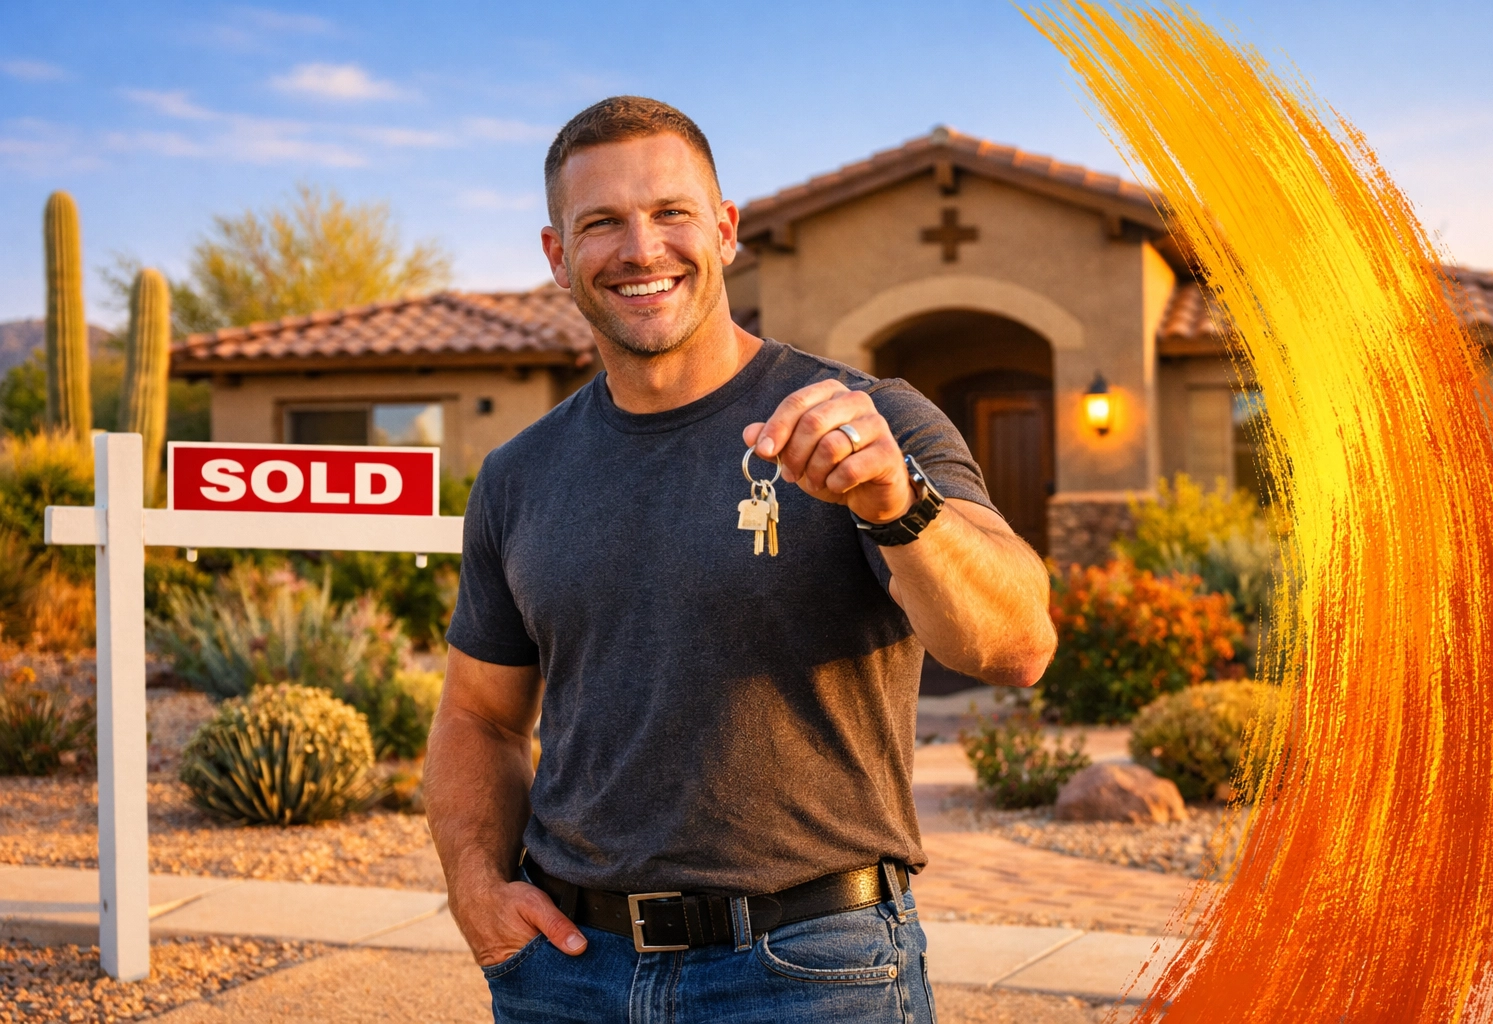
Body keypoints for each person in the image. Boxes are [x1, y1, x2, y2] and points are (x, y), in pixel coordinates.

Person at [424, 95, 1056, 1024]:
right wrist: (476, 888)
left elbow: (1018, 644)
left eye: (671, 213)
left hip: (813, 972)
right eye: (601, 223)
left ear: (725, 231)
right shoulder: (520, 474)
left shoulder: (871, 421)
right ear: (558, 256)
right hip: (568, 973)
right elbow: (478, 716)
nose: (641, 248)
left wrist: (898, 503)